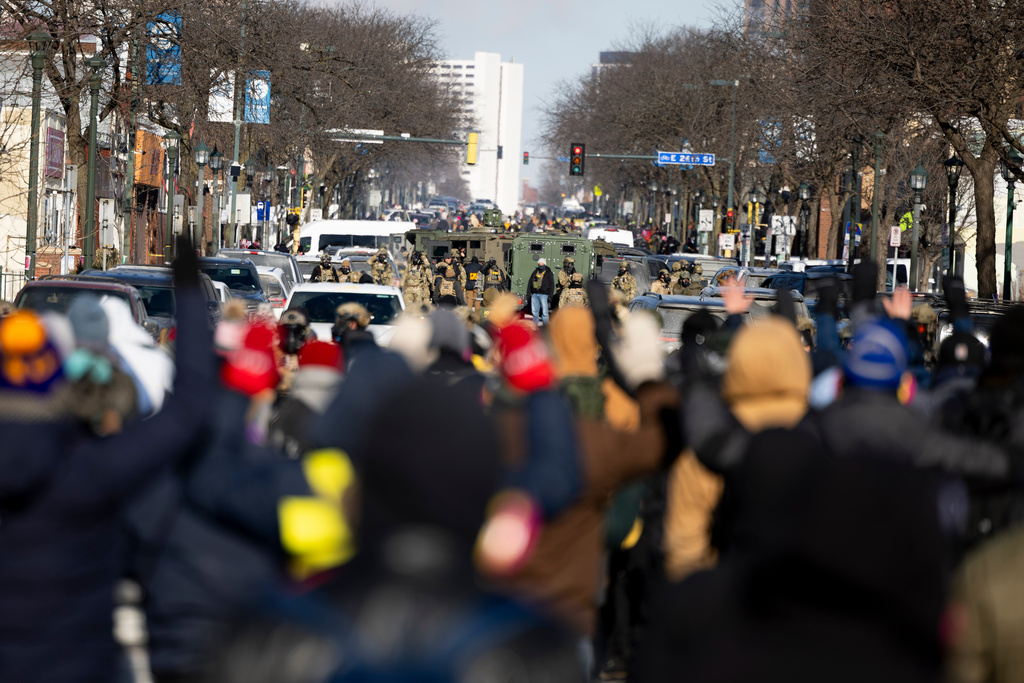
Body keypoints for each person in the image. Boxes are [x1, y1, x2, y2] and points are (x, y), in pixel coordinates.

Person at [0, 238, 214, 683]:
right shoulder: (89, 471)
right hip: (81, 665)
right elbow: (189, 408)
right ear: (59, 377)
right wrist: (189, 286)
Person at [527, 257, 555, 326]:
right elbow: (530, 283)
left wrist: (550, 296)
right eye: (539, 263)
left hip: (544, 295)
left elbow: (552, 284)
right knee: (534, 312)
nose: (540, 264)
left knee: (545, 313)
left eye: (542, 263)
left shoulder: (549, 273)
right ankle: (534, 326)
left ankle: (546, 327)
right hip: (535, 294)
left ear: (544, 264)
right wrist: (528, 294)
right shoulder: (535, 272)